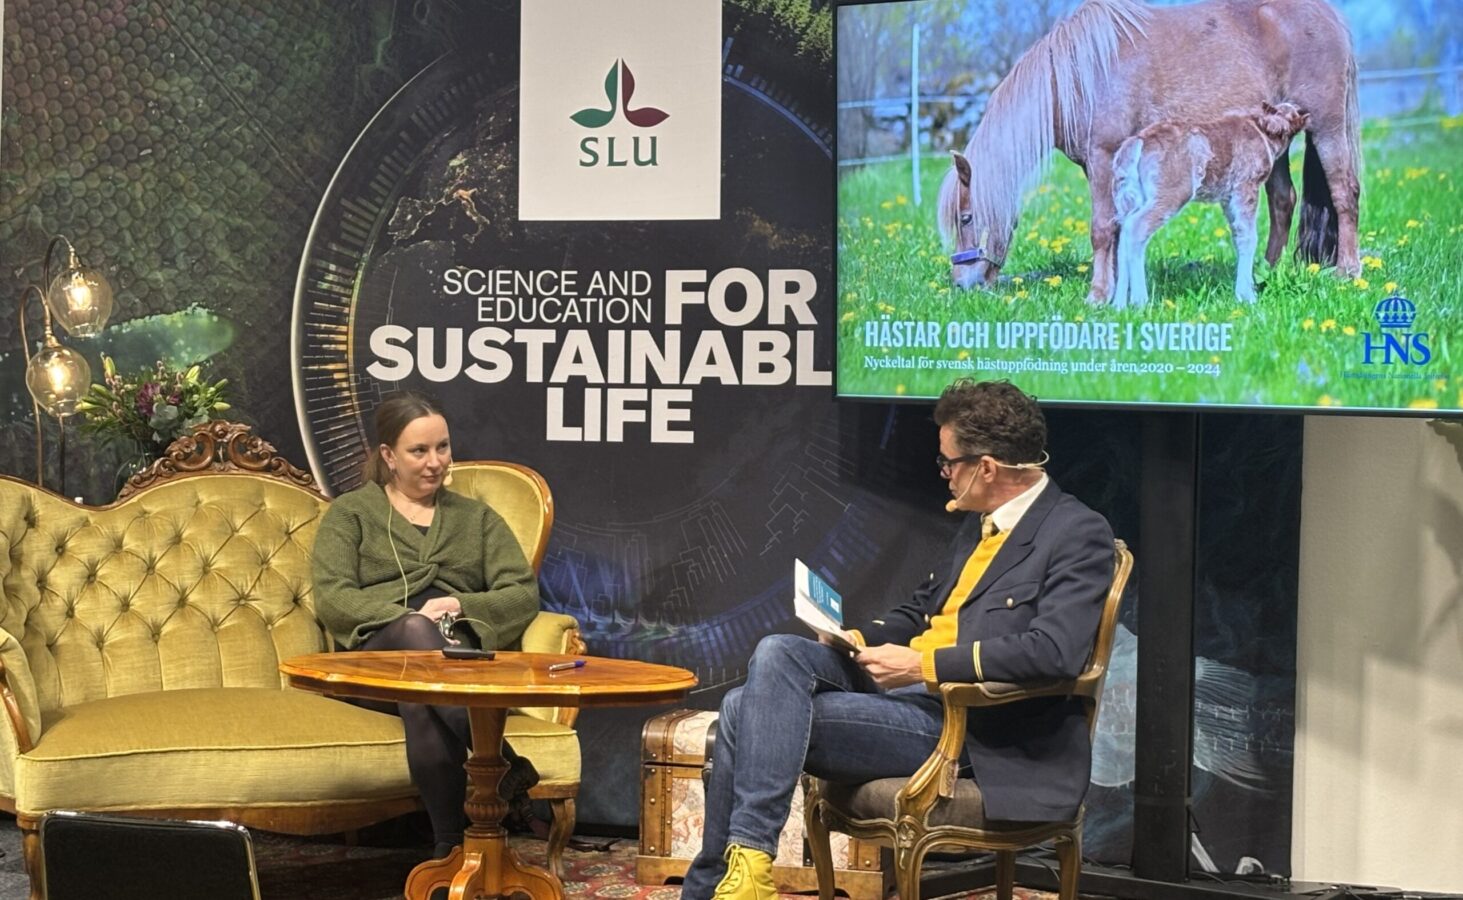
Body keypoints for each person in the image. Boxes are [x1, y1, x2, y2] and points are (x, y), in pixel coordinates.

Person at [681, 379, 1115, 900]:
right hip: (910, 701)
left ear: (987, 468)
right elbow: (920, 609)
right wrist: (853, 637)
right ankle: (743, 874)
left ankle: (726, 882)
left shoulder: (1076, 532)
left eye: (948, 463)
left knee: (741, 708)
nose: (944, 474)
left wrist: (923, 667)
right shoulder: (979, 522)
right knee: (779, 651)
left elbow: (1054, 652)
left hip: (973, 730)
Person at [311, 390, 542, 859]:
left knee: (418, 697)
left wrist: (459, 603)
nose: (435, 462)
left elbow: (522, 594)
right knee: (416, 636)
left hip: (450, 663)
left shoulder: (476, 518)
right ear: (388, 456)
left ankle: (448, 851)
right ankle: (503, 761)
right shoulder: (351, 514)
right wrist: (407, 617)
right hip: (371, 667)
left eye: (442, 447)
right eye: (419, 451)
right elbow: (333, 599)